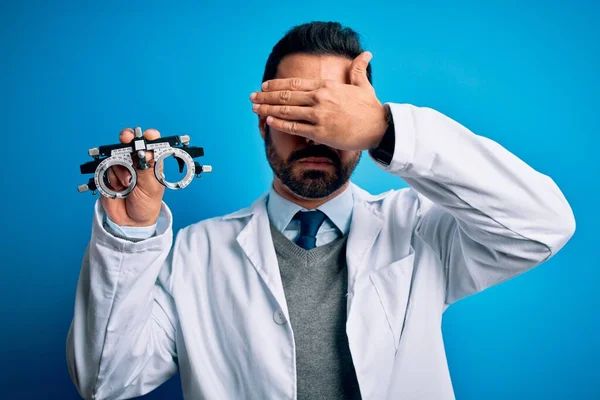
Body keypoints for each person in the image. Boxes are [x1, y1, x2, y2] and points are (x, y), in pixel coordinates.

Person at [66, 21, 575, 400]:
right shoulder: (197, 255)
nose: (314, 133)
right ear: (263, 124)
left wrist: (386, 128)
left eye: (331, 114)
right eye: (294, 111)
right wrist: (128, 236)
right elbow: (105, 379)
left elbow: (542, 225)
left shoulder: (420, 232)